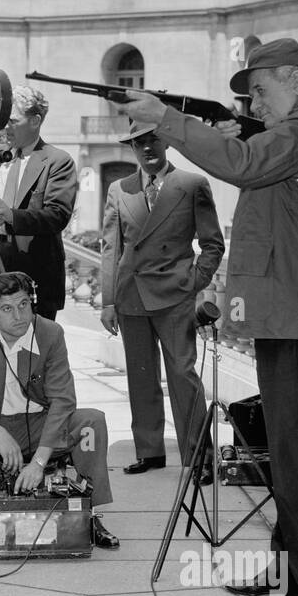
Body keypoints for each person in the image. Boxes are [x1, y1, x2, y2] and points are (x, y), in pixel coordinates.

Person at [118, 38, 298, 596]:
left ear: (293, 76)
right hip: (293, 308)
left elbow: (248, 165)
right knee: (293, 448)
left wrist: (170, 122)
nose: (253, 101)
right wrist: (239, 127)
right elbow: (264, 166)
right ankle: (296, 570)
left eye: (259, 89)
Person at [0, 271, 120, 550]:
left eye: (23, 305)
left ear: (32, 301)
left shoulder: (50, 333)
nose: (18, 315)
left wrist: (39, 462)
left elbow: (63, 400)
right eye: (6, 308)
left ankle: (91, 513)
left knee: (91, 422)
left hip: (39, 427)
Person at [100, 119, 224, 477]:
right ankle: (149, 450)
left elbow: (213, 243)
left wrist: (194, 280)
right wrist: (108, 302)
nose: (148, 149)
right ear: (133, 149)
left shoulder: (192, 184)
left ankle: (199, 457)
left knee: (183, 376)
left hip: (174, 296)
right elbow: (111, 248)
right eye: (140, 144)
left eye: (154, 141)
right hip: (131, 296)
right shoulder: (119, 189)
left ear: (166, 143)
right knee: (141, 377)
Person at [0, 86, 78, 319]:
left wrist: (11, 215)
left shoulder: (58, 161)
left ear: (35, 121)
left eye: (13, 121)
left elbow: (57, 215)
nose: (6, 127)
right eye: (4, 120)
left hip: (36, 276)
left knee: (34, 351)